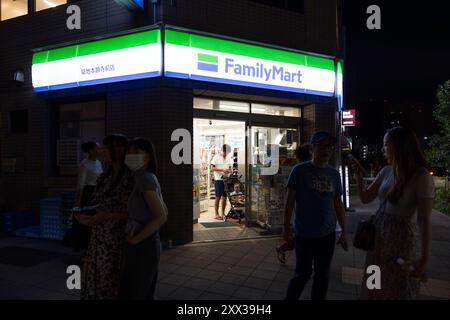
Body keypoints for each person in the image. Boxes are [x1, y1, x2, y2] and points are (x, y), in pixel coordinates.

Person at [350, 127, 434, 300]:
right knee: (375, 281)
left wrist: (424, 258)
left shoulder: (421, 176)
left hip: (401, 239)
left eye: (385, 144)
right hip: (378, 236)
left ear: (397, 145)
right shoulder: (387, 171)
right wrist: (358, 175)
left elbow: (424, 220)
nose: (383, 149)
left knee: (397, 287)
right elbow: (366, 198)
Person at [283, 131, 348, 300]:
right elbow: (289, 201)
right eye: (322, 146)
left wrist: (345, 231)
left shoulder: (334, 174)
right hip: (304, 233)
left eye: (330, 147)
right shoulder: (299, 171)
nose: (327, 150)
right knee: (302, 274)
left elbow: (338, 204)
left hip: (327, 234)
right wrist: (286, 228)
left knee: (322, 275)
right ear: (312, 148)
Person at [77, 134, 134, 300]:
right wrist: (87, 214)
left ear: (120, 150)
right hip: (99, 236)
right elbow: (99, 203)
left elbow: (136, 213)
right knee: (96, 277)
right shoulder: (105, 176)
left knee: (111, 280)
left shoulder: (131, 178)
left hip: (117, 239)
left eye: (106, 147)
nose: (102, 151)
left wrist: (105, 216)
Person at [119, 138, 168, 300]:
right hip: (145, 242)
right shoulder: (143, 178)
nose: (131, 156)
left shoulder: (145, 179)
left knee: (136, 293)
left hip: (144, 244)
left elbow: (161, 216)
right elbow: (164, 209)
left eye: (137, 153)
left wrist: (136, 239)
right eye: (129, 152)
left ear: (148, 157)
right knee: (141, 291)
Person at [276, 143, 313, 264]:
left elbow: (289, 201)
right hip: (302, 218)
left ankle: (282, 248)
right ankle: (283, 249)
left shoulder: (297, 169)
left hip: (300, 216)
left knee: (299, 241)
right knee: (300, 241)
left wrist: (286, 225)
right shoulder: (299, 170)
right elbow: (290, 200)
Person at [72, 142, 103, 251]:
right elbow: (80, 185)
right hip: (87, 193)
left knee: (95, 220)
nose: (100, 150)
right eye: (98, 148)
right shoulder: (84, 164)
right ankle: (84, 246)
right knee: (86, 220)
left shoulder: (98, 162)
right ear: (90, 151)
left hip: (97, 193)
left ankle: (93, 245)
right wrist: (78, 203)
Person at [210, 144, 233, 220]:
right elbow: (212, 168)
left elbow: (230, 168)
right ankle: (216, 214)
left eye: (228, 152)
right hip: (218, 180)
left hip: (226, 179)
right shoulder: (216, 157)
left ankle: (223, 213)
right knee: (218, 197)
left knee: (225, 197)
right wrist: (222, 170)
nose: (226, 154)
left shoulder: (229, 158)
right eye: (226, 152)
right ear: (222, 150)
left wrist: (229, 171)